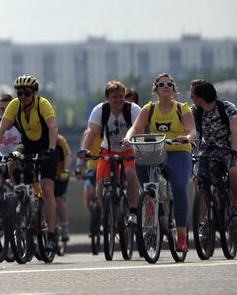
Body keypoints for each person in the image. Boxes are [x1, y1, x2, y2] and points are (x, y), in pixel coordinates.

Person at [123, 73, 196, 252]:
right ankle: (150, 201)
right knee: (142, 167)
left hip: (178, 151)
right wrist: (128, 137)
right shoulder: (150, 108)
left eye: (169, 84)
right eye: (162, 84)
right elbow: (136, 127)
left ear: (173, 88)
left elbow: (192, 131)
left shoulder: (182, 108)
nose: (166, 86)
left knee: (179, 188)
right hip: (156, 151)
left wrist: (186, 138)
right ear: (156, 88)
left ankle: (181, 236)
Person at [0, 74, 59, 252]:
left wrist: (51, 149)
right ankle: (21, 194)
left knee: (47, 187)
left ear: (34, 93)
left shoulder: (42, 104)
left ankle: (51, 234)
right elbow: (0, 128)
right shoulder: (15, 105)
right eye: (19, 93)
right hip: (27, 145)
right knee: (13, 158)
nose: (22, 97)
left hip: (46, 146)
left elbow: (53, 127)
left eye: (27, 93)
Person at [77, 80, 142, 225]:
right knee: (100, 183)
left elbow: (139, 129)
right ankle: (106, 211)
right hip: (108, 149)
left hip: (128, 149)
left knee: (131, 174)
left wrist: (130, 140)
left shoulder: (133, 109)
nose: (119, 100)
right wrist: (83, 151)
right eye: (114, 97)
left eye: (121, 96)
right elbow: (91, 132)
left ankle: (132, 211)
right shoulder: (100, 110)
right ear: (107, 97)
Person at [189, 78, 237, 223]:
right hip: (207, 151)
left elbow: (235, 129)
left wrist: (233, 150)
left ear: (199, 97)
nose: (192, 98)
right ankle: (202, 223)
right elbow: (191, 132)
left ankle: (234, 205)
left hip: (228, 149)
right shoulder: (195, 111)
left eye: (193, 95)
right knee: (198, 180)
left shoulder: (227, 107)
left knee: (234, 172)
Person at [54, 133, 72, 240]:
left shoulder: (60, 140)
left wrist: (65, 170)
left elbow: (67, 155)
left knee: (59, 199)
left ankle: (64, 226)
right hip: (48, 173)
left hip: (60, 174)